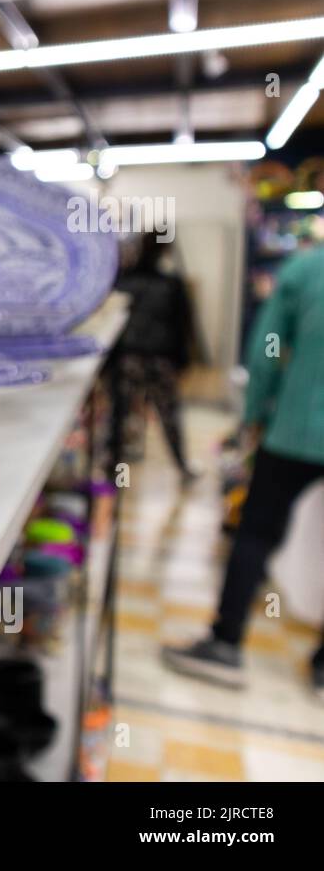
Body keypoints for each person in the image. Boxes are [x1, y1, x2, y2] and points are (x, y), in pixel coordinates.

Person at [164, 244, 324, 697]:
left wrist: (253, 415)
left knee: (255, 533)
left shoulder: (306, 271)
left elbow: (267, 350)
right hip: (298, 426)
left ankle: (225, 643)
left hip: (297, 428)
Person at [109, 236, 197, 481]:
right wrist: (183, 360)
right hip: (158, 358)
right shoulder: (170, 284)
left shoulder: (124, 282)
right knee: (168, 415)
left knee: (120, 417)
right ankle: (182, 467)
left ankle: (111, 472)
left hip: (130, 357)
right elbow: (184, 326)